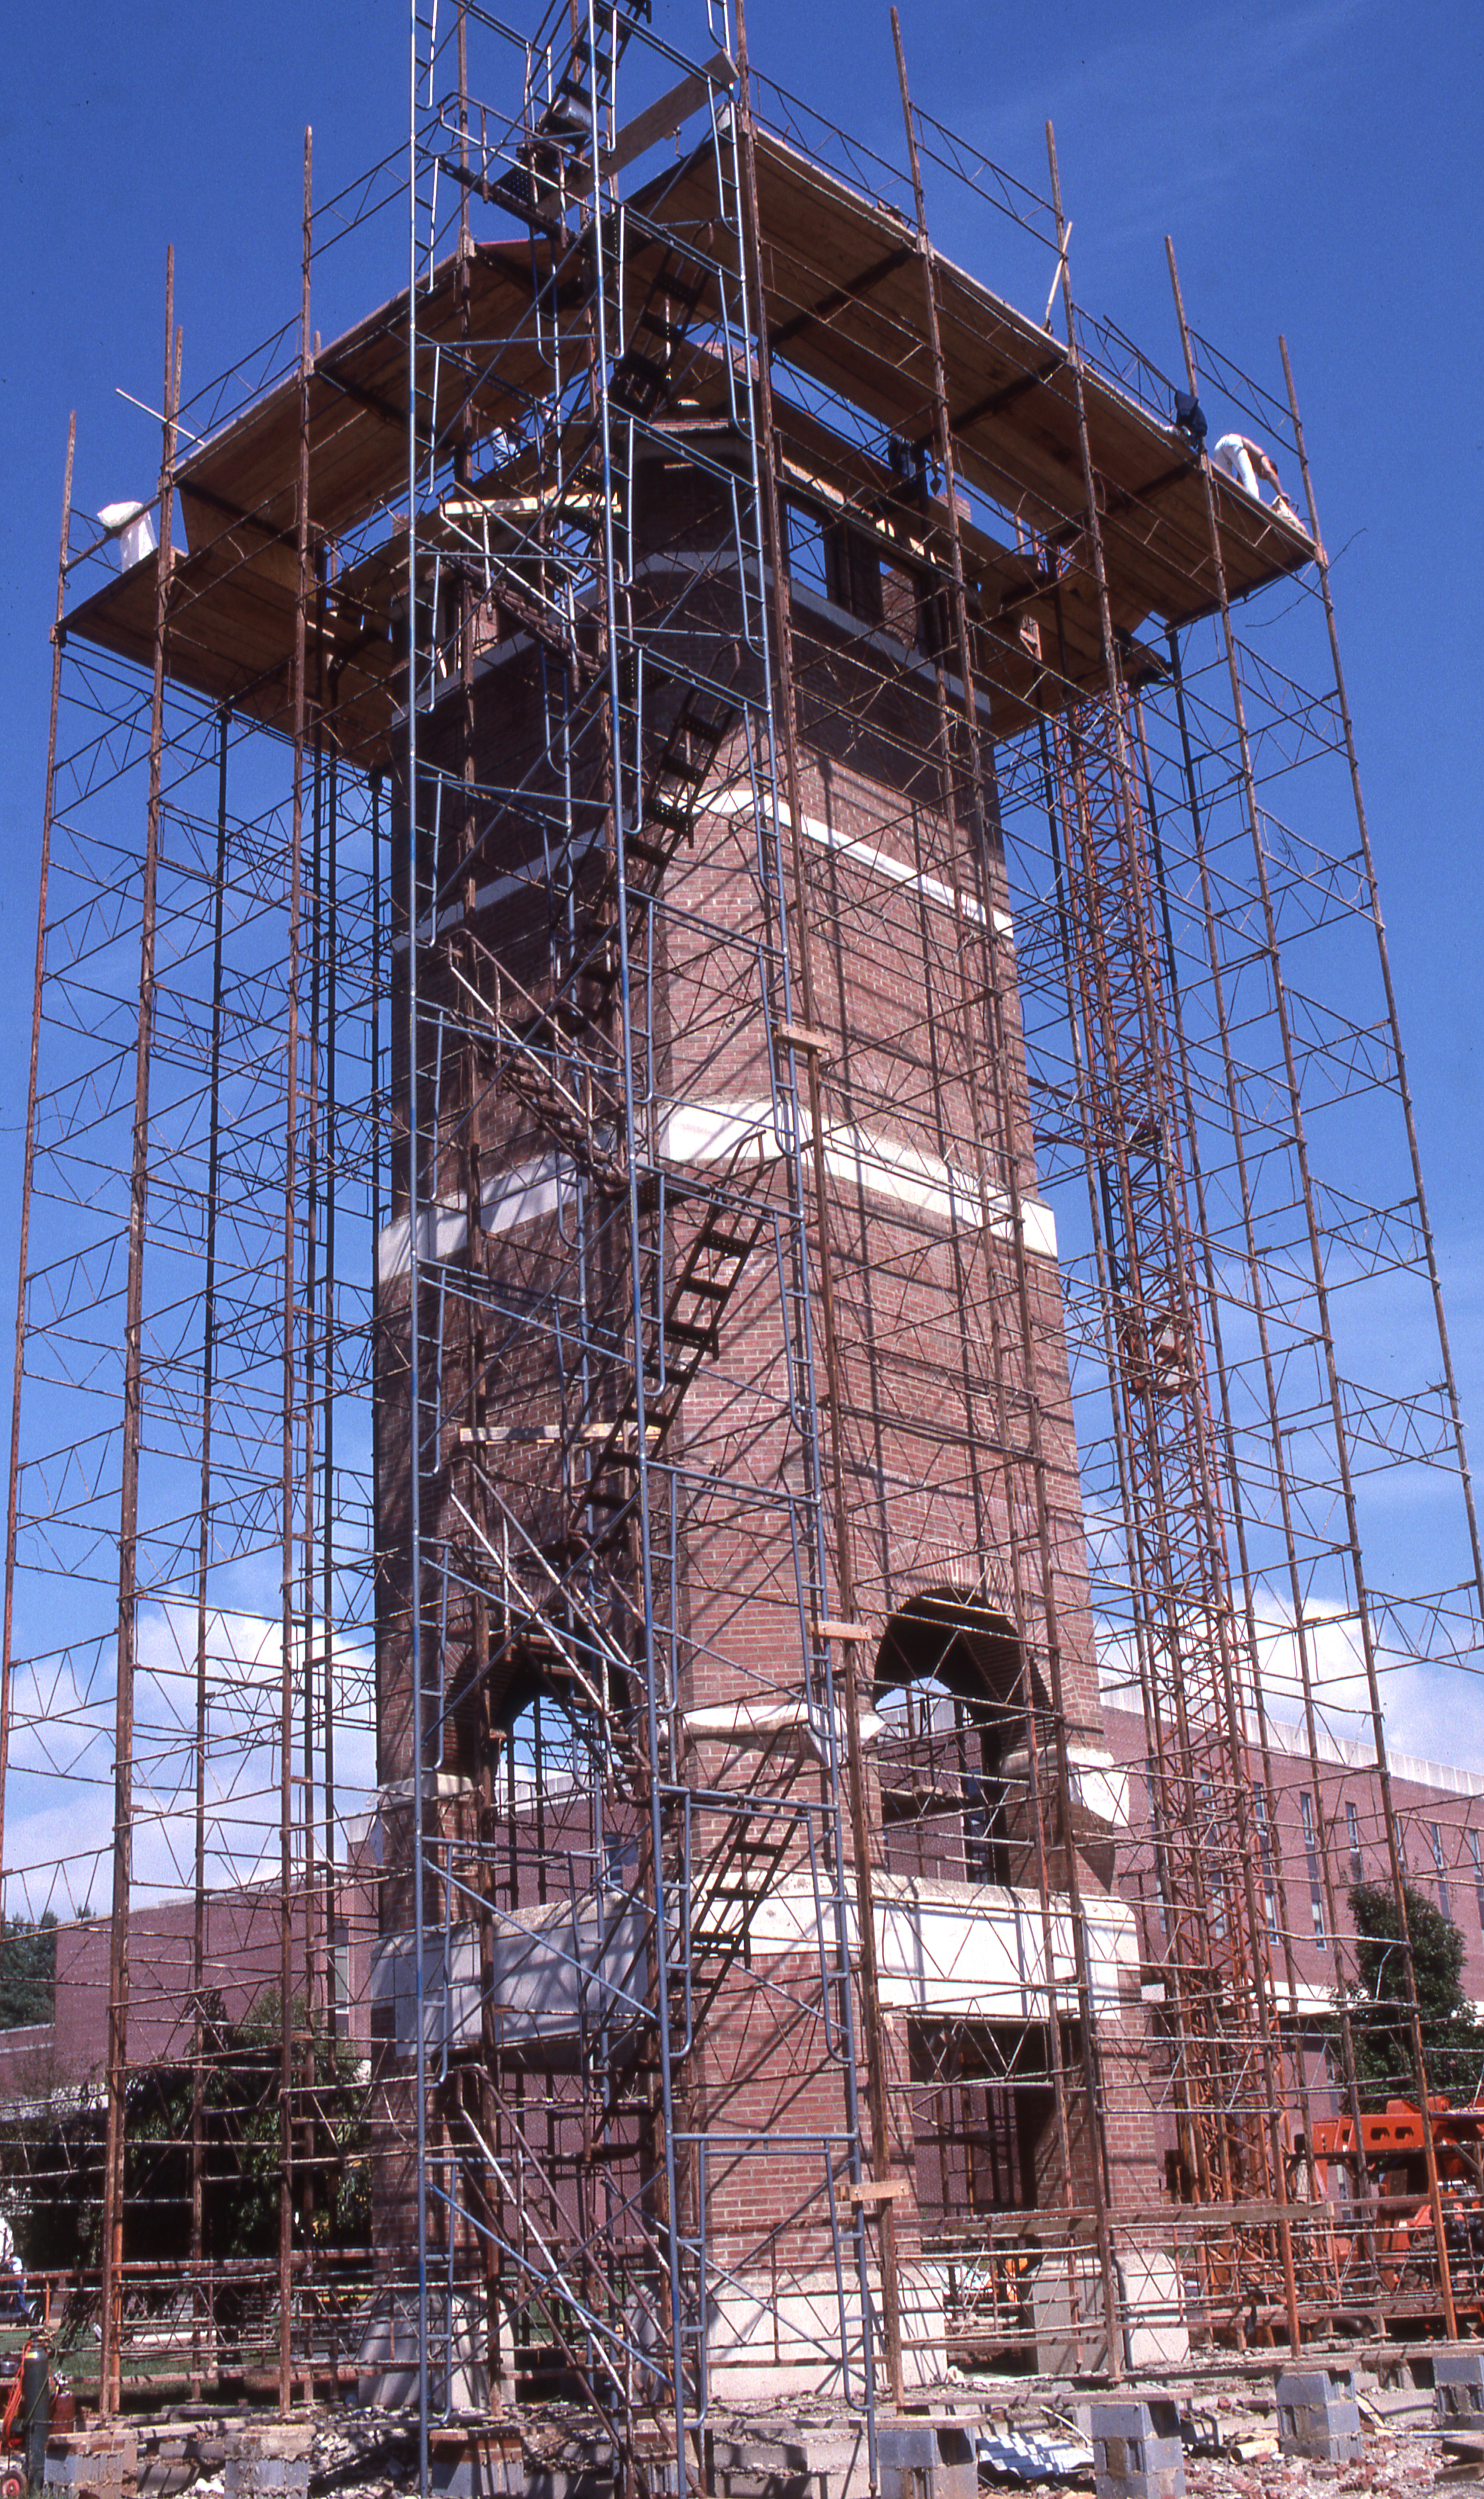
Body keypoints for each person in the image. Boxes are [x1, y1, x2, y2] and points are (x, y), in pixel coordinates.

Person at [1211, 431, 1307, 530]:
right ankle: (1255, 507)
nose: (1264, 478)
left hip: (1220, 447)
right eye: (1266, 477)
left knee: (1225, 487)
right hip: (1234, 442)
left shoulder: (1247, 463)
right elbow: (1269, 472)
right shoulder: (1263, 458)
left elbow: (1239, 484)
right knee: (1250, 479)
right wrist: (1281, 494)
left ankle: (1223, 509)